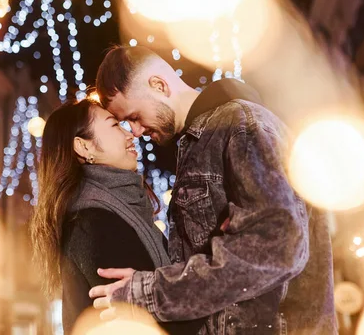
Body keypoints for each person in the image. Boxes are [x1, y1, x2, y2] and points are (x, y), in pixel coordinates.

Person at [89, 46, 337, 334]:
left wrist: (150, 293)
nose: (135, 131)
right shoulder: (204, 140)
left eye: (133, 116)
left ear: (159, 85)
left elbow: (277, 245)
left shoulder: (241, 125)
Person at [29, 99, 206, 334]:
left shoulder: (117, 210)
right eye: (115, 126)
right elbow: (156, 321)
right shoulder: (94, 221)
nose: (130, 134)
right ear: (84, 147)